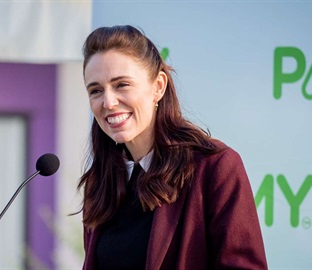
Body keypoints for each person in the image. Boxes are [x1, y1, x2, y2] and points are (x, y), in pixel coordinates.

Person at [78, 25, 267, 270]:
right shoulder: (100, 181)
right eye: (96, 90)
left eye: (122, 84)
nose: (109, 102)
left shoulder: (215, 166)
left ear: (158, 86)